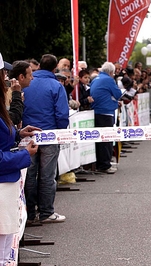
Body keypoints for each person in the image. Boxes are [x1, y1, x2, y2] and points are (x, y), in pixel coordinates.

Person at [23, 54, 70, 224]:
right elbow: (62, 114)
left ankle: (29, 213)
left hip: (28, 135)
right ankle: (46, 212)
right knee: (47, 176)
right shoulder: (56, 86)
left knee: (30, 174)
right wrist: (60, 132)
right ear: (54, 67)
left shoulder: (27, 83)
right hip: (50, 134)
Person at [0, 69, 39, 265]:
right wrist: (25, 154)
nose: (8, 79)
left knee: (6, 249)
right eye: (3, 74)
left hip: (6, 187)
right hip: (2, 186)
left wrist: (18, 134)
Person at [90, 62, 122, 174]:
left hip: (96, 111)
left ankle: (101, 163)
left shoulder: (95, 79)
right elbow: (118, 94)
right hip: (106, 112)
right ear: (111, 72)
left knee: (100, 140)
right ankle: (105, 165)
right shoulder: (108, 80)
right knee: (106, 139)